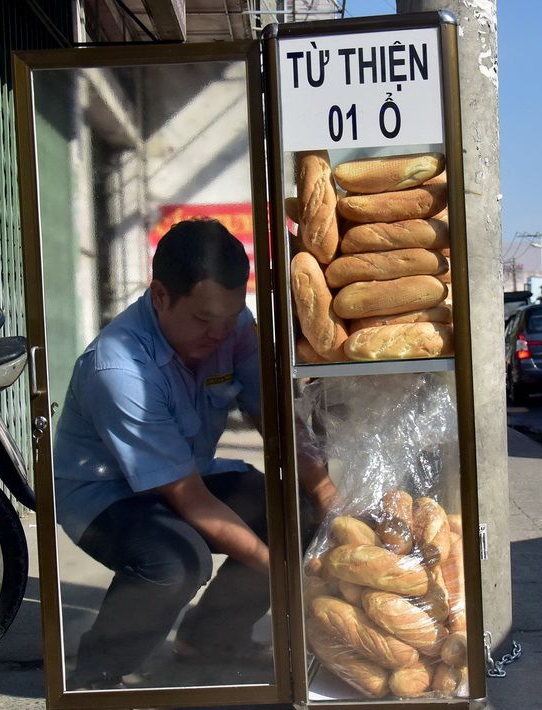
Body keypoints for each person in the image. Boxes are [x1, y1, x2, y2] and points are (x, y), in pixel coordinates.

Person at [53, 218, 335, 689]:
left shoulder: (236, 328)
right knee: (176, 562)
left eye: (229, 317)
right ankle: (98, 672)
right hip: (106, 496)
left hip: (188, 474)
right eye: (204, 320)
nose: (219, 334)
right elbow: (189, 499)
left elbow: (280, 422)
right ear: (160, 295)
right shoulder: (119, 368)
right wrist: (285, 576)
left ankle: (209, 638)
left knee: (299, 512)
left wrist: (332, 504)